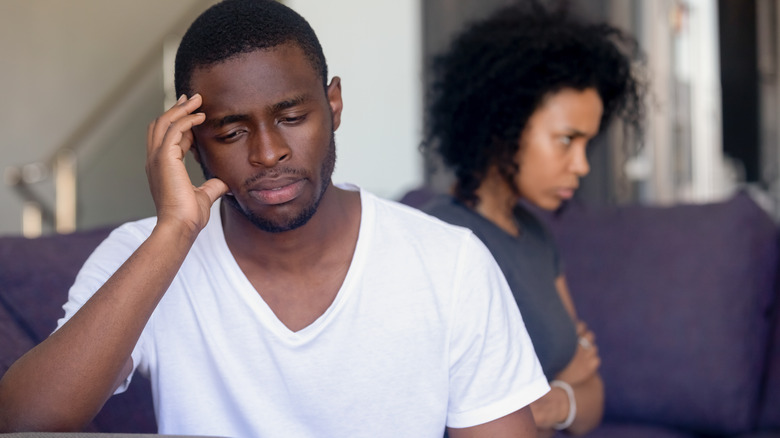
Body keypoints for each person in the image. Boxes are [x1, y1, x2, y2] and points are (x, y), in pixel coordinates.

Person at [0, 1, 550, 436]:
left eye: (291, 116)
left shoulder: (448, 261)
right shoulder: (142, 253)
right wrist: (175, 232)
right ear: (189, 142)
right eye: (232, 131)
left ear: (333, 106)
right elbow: (25, 423)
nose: (268, 153)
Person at [421, 1, 645, 437]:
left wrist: (548, 404)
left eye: (587, 144)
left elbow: (594, 397)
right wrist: (567, 381)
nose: (582, 165)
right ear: (502, 127)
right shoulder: (440, 241)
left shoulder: (538, 239)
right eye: (566, 140)